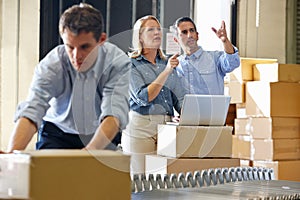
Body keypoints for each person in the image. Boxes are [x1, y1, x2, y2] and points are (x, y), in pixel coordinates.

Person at [6, 3, 131, 152]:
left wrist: (87, 154)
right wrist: (10, 156)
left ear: (101, 40)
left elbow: (114, 113)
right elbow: (33, 109)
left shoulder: (118, 63)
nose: (76, 56)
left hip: (101, 133)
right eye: (70, 47)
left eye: (85, 47)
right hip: (57, 133)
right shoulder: (52, 65)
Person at [121, 15, 186, 174]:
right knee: (140, 181)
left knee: (164, 181)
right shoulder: (131, 64)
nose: (157, 33)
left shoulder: (166, 63)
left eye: (158, 29)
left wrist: (186, 114)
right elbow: (143, 98)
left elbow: (179, 97)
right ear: (140, 37)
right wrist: (166, 72)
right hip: (141, 127)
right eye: (151, 30)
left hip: (166, 127)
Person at [172, 16, 240, 95]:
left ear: (197, 35)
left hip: (213, 107)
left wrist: (225, 41)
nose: (189, 35)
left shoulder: (215, 58)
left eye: (192, 30)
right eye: (184, 32)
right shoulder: (175, 66)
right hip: (188, 108)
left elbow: (233, 63)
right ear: (176, 39)